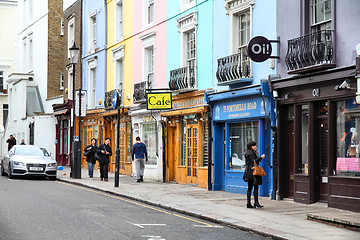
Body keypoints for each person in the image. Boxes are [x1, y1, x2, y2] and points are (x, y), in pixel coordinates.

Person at [243, 140, 265, 208]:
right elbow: (254, 161)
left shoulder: (247, 153)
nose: (255, 147)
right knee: (255, 187)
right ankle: (255, 202)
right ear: (251, 146)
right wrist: (261, 157)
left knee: (250, 187)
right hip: (253, 172)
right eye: (254, 145)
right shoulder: (251, 153)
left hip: (248, 171)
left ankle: (249, 203)